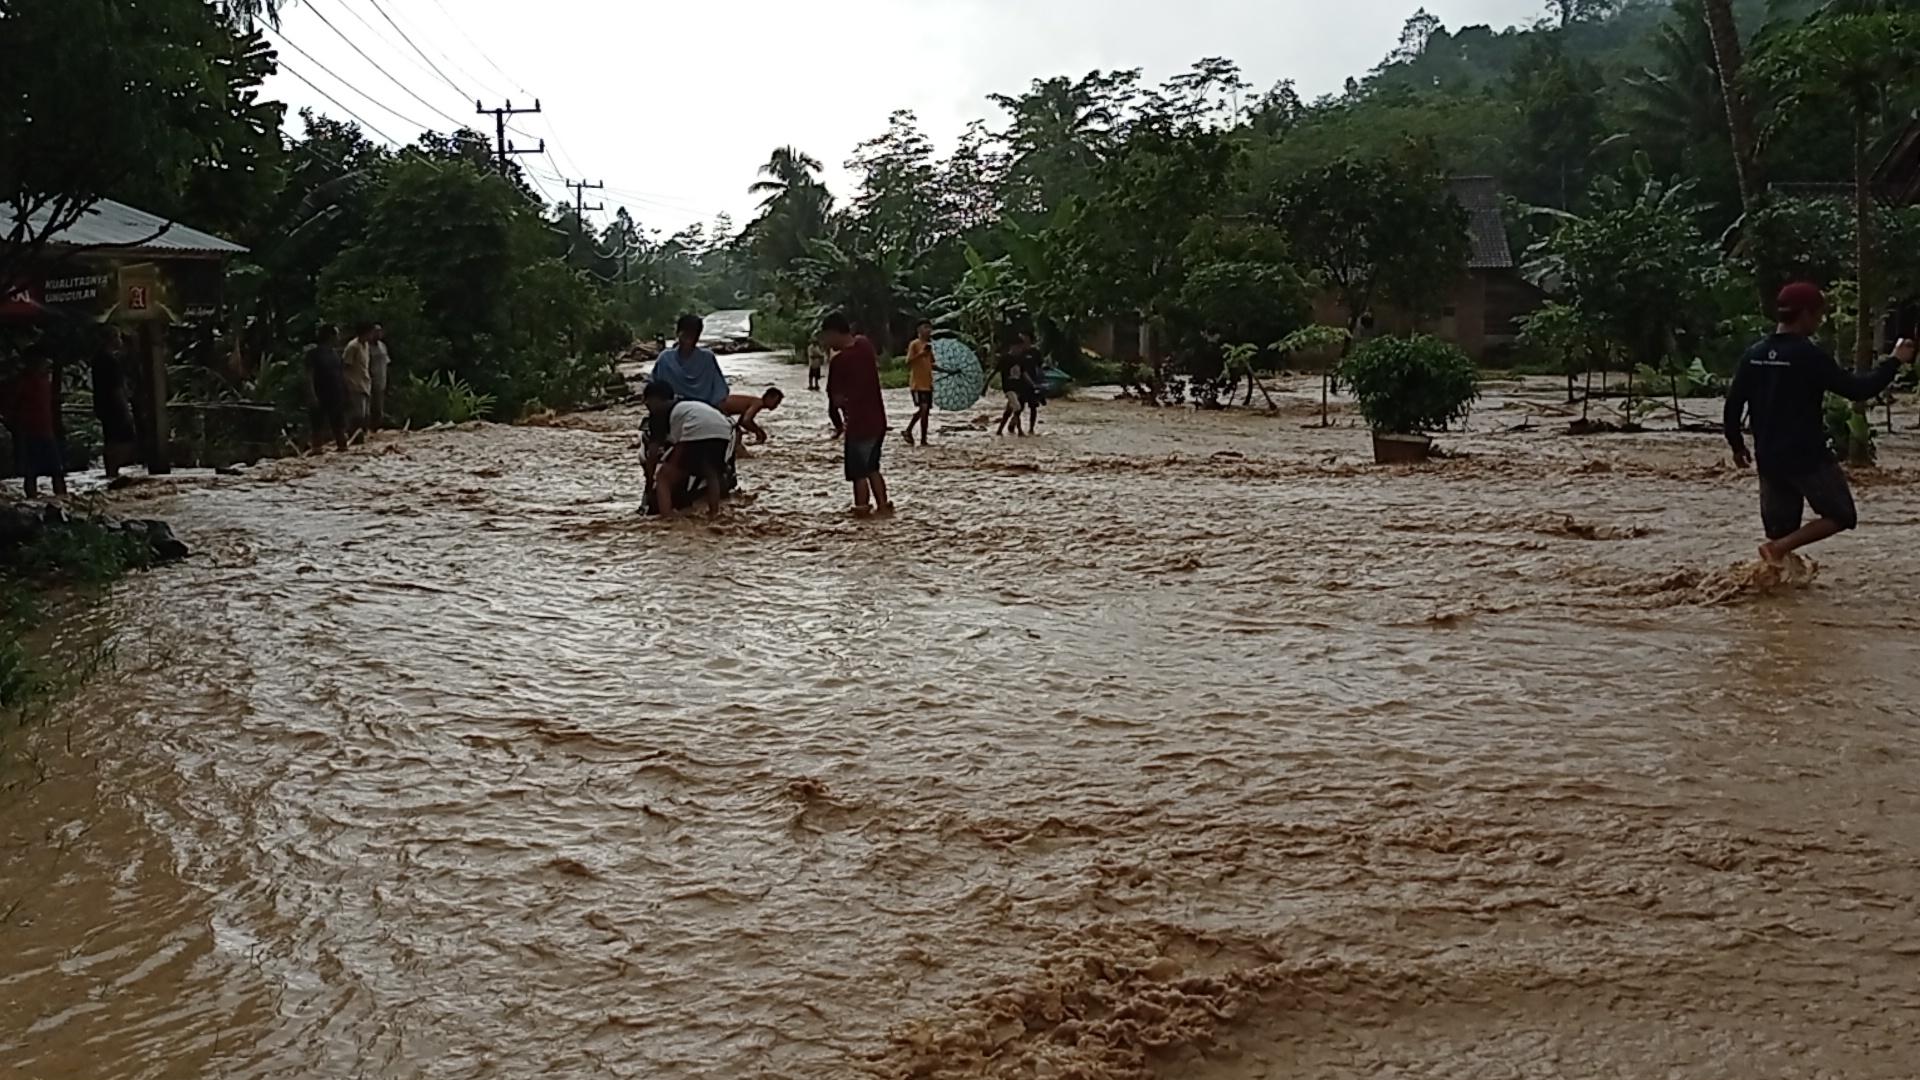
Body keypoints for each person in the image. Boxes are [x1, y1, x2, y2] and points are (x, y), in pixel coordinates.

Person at [1724, 282, 1907, 565]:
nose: (1819, 321)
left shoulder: (1754, 354)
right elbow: (1858, 390)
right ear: (1807, 314)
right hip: (1807, 457)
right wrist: (1895, 361)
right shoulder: (1809, 356)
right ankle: (1780, 551)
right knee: (1841, 515)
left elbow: (1733, 405)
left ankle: (1780, 596)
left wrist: (1737, 446)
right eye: (1819, 315)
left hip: (1768, 456)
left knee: (1779, 532)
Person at [821, 311, 892, 515]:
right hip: (878, 421)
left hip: (858, 425)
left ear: (834, 333)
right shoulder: (865, 345)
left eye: (826, 336)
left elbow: (834, 400)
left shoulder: (839, 362)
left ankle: (862, 512)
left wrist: (838, 425)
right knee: (873, 468)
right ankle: (883, 507)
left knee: (858, 474)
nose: (825, 341)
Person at [642, 380, 732, 518]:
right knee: (711, 473)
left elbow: (653, 453)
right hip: (723, 430)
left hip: (695, 429)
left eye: (647, 400)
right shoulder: (686, 404)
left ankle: (667, 519)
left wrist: (649, 480)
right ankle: (714, 513)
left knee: (663, 477)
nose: (646, 404)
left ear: (655, 399)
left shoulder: (659, 413)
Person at [6, 347, 66, 498]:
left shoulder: (45, 380)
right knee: (32, 471)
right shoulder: (23, 382)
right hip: (31, 432)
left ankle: (62, 499)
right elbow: (11, 405)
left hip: (46, 430)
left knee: (56, 470)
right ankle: (33, 498)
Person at [650, 313, 729, 407]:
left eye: (692, 334)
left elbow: (719, 390)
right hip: (674, 409)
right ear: (678, 333)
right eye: (686, 334)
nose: (688, 339)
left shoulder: (707, 357)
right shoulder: (665, 359)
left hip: (705, 408)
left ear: (697, 336)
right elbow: (654, 388)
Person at [91, 330, 137, 478]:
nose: (120, 340)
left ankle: (112, 471)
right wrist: (124, 407)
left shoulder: (98, 359)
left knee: (112, 438)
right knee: (123, 439)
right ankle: (113, 469)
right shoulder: (110, 361)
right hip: (114, 405)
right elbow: (115, 387)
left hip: (104, 405)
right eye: (117, 337)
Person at [306, 323, 350, 453]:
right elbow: (309, 375)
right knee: (317, 425)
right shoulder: (313, 354)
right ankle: (317, 449)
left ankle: (342, 448)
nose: (339, 337)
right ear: (329, 336)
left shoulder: (334, 354)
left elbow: (341, 374)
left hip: (336, 393)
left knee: (339, 424)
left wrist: (345, 390)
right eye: (336, 334)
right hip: (320, 393)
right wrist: (311, 394)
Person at [902, 320, 937, 446]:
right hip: (917, 384)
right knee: (923, 408)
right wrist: (921, 354)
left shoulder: (929, 346)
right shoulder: (915, 344)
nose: (928, 330)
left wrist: (949, 370)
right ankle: (908, 429)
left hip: (928, 383)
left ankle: (923, 439)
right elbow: (908, 362)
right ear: (919, 330)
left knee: (926, 412)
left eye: (930, 328)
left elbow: (931, 363)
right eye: (925, 327)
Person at [996, 333, 1036, 436]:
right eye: (1019, 347)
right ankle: (1020, 431)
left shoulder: (1020, 358)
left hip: (1018, 387)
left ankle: (999, 430)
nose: (1021, 349)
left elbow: (1023, 373)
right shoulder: (1005, 359)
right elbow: (995, 371)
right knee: (1017, 408)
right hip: (1009, 388)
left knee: (1009, 410)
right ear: (1013, 347)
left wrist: (1032, 385)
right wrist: (985, 386)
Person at [341, 322, 374, 440]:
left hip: (365, 382)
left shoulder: (366, 346)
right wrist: (346, 384)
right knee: (357, 414)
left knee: (365, 414)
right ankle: (353, 436)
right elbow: (345, 367)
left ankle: (361, 436)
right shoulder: (352, 347)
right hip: (354, 384)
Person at [366, 322, 391, 430]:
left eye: (379, 331)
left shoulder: (383, 346)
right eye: (375, 331)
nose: (378, 334)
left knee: (379, 407)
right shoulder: (366, 347)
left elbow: (387, 362)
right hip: (369, 380)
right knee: (369, 408)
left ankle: (377, 428)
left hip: (381, 379)